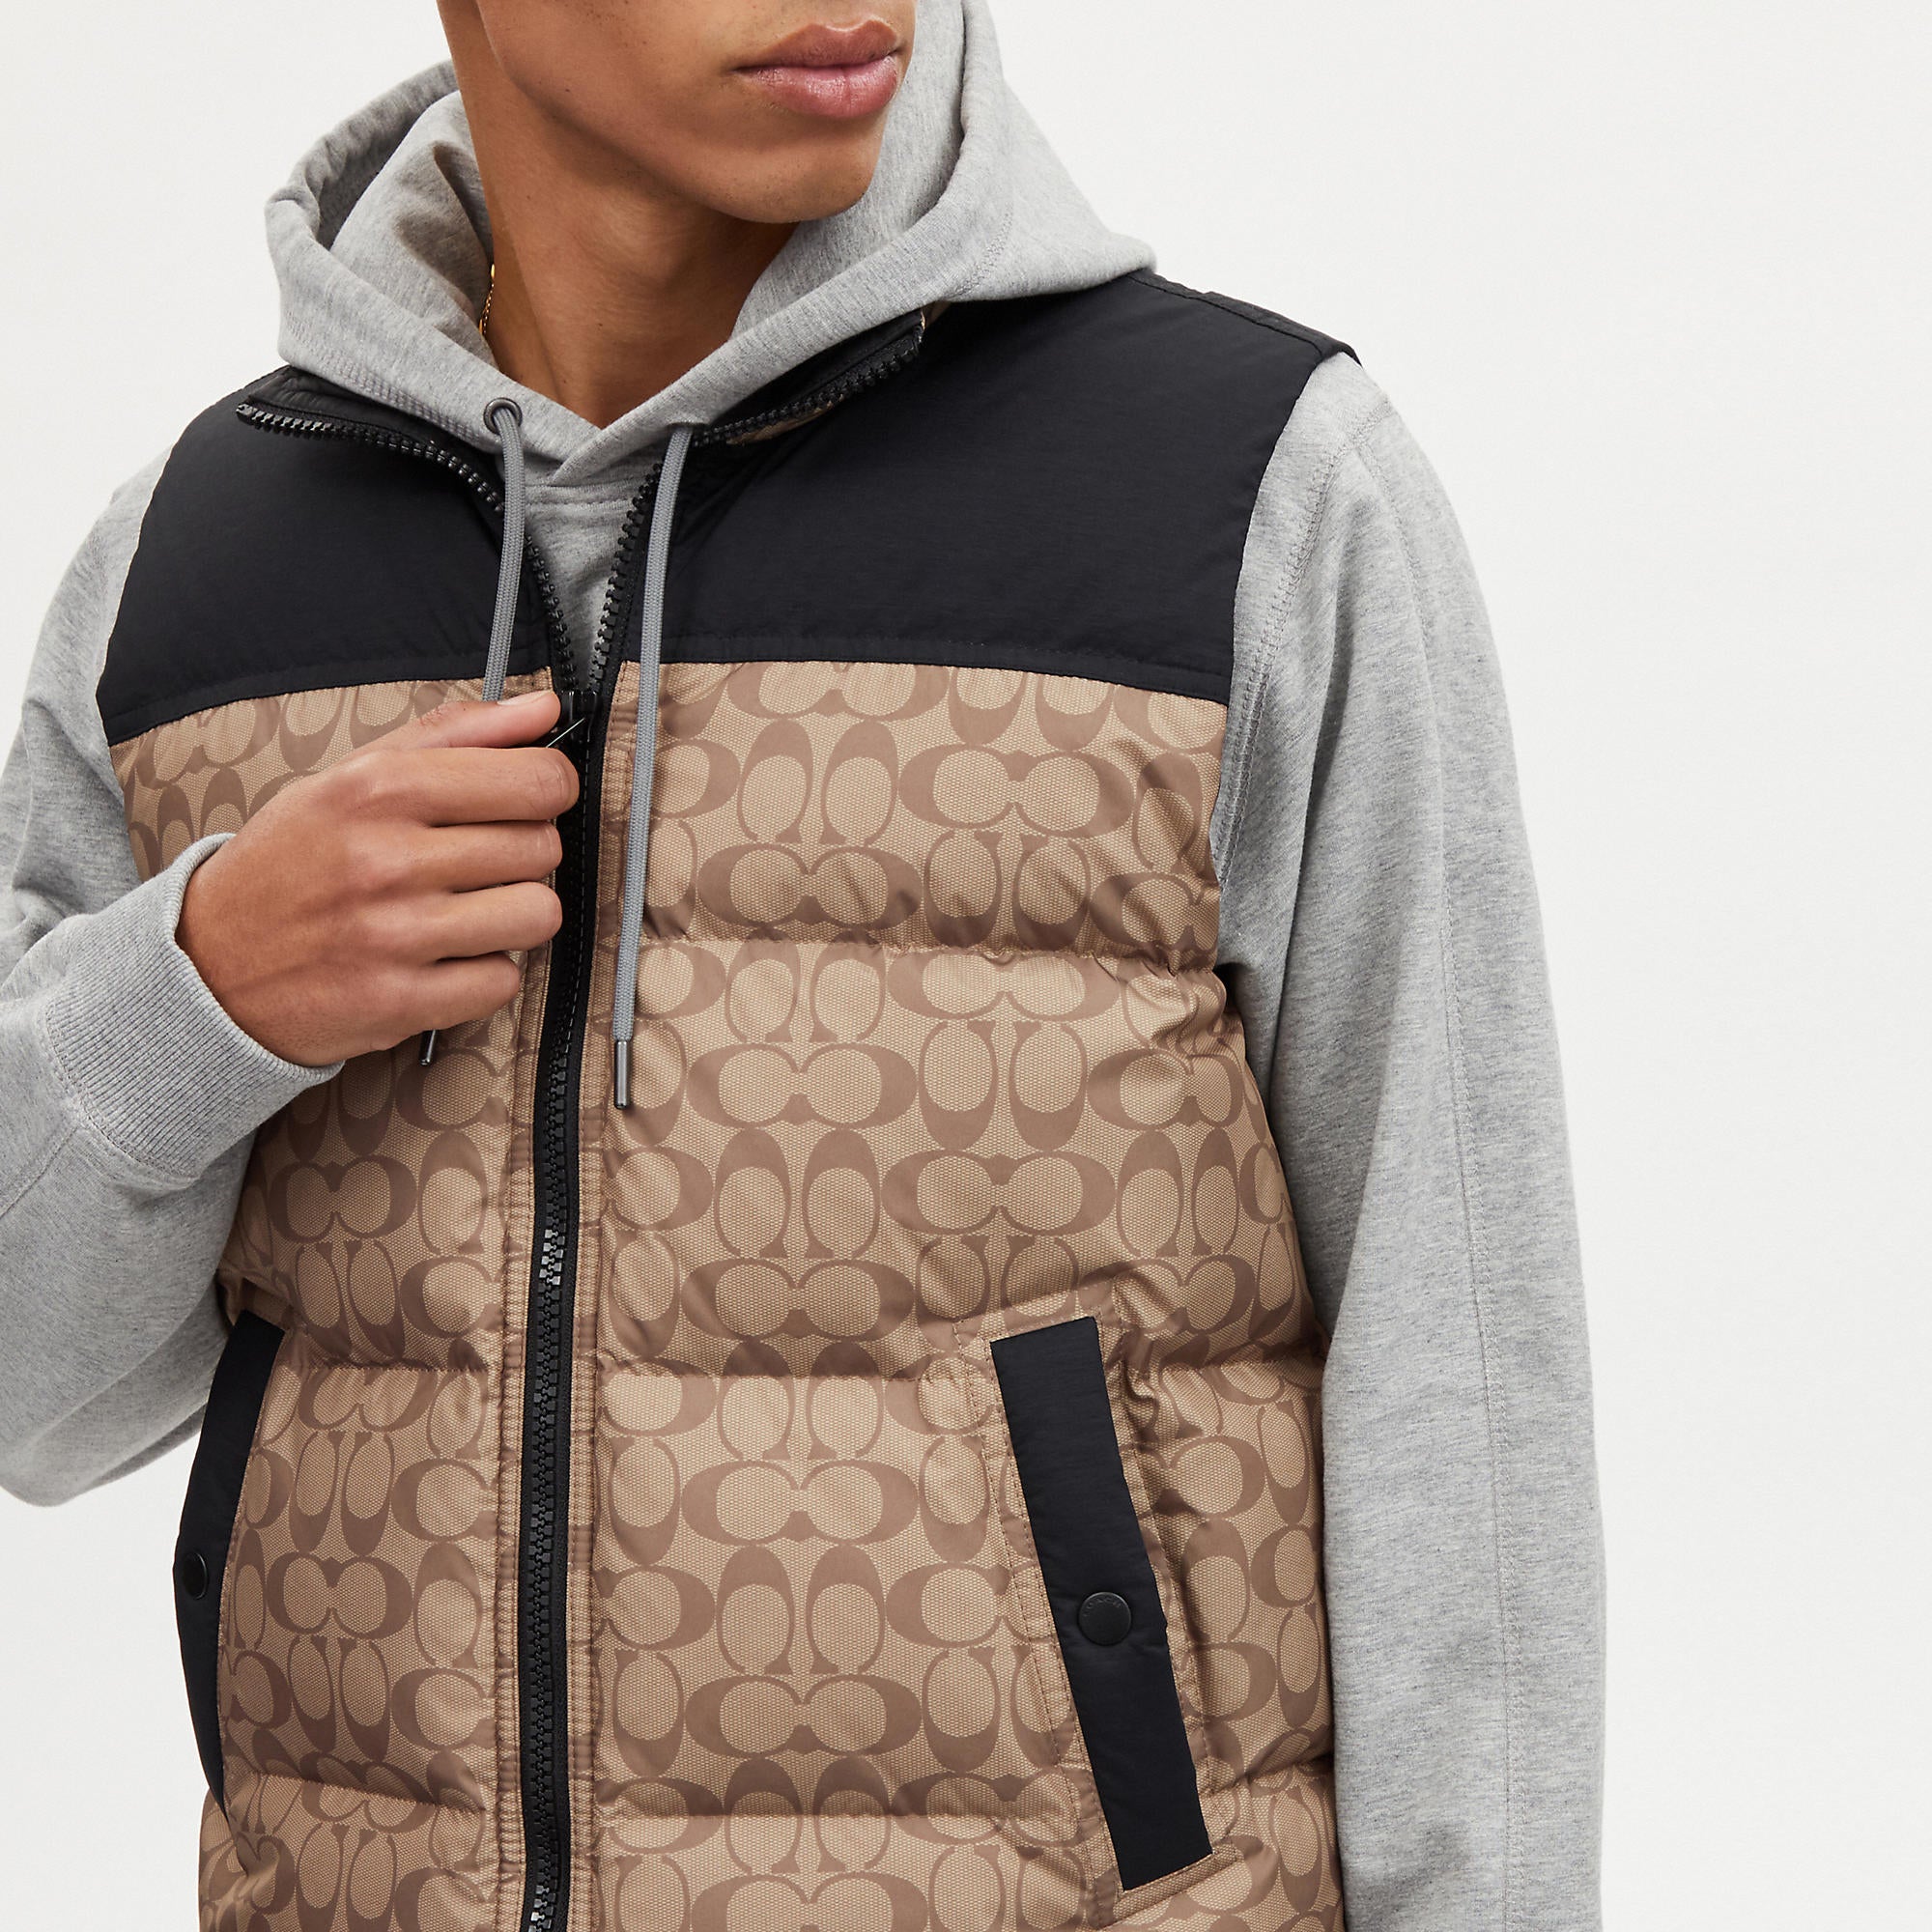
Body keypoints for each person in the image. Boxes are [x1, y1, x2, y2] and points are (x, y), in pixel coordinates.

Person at [0, 2, 1603, 1927]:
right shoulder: (190, 576)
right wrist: (194, 994)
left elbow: (1464, 1397)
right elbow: (32, 1398)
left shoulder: (1242, 500)